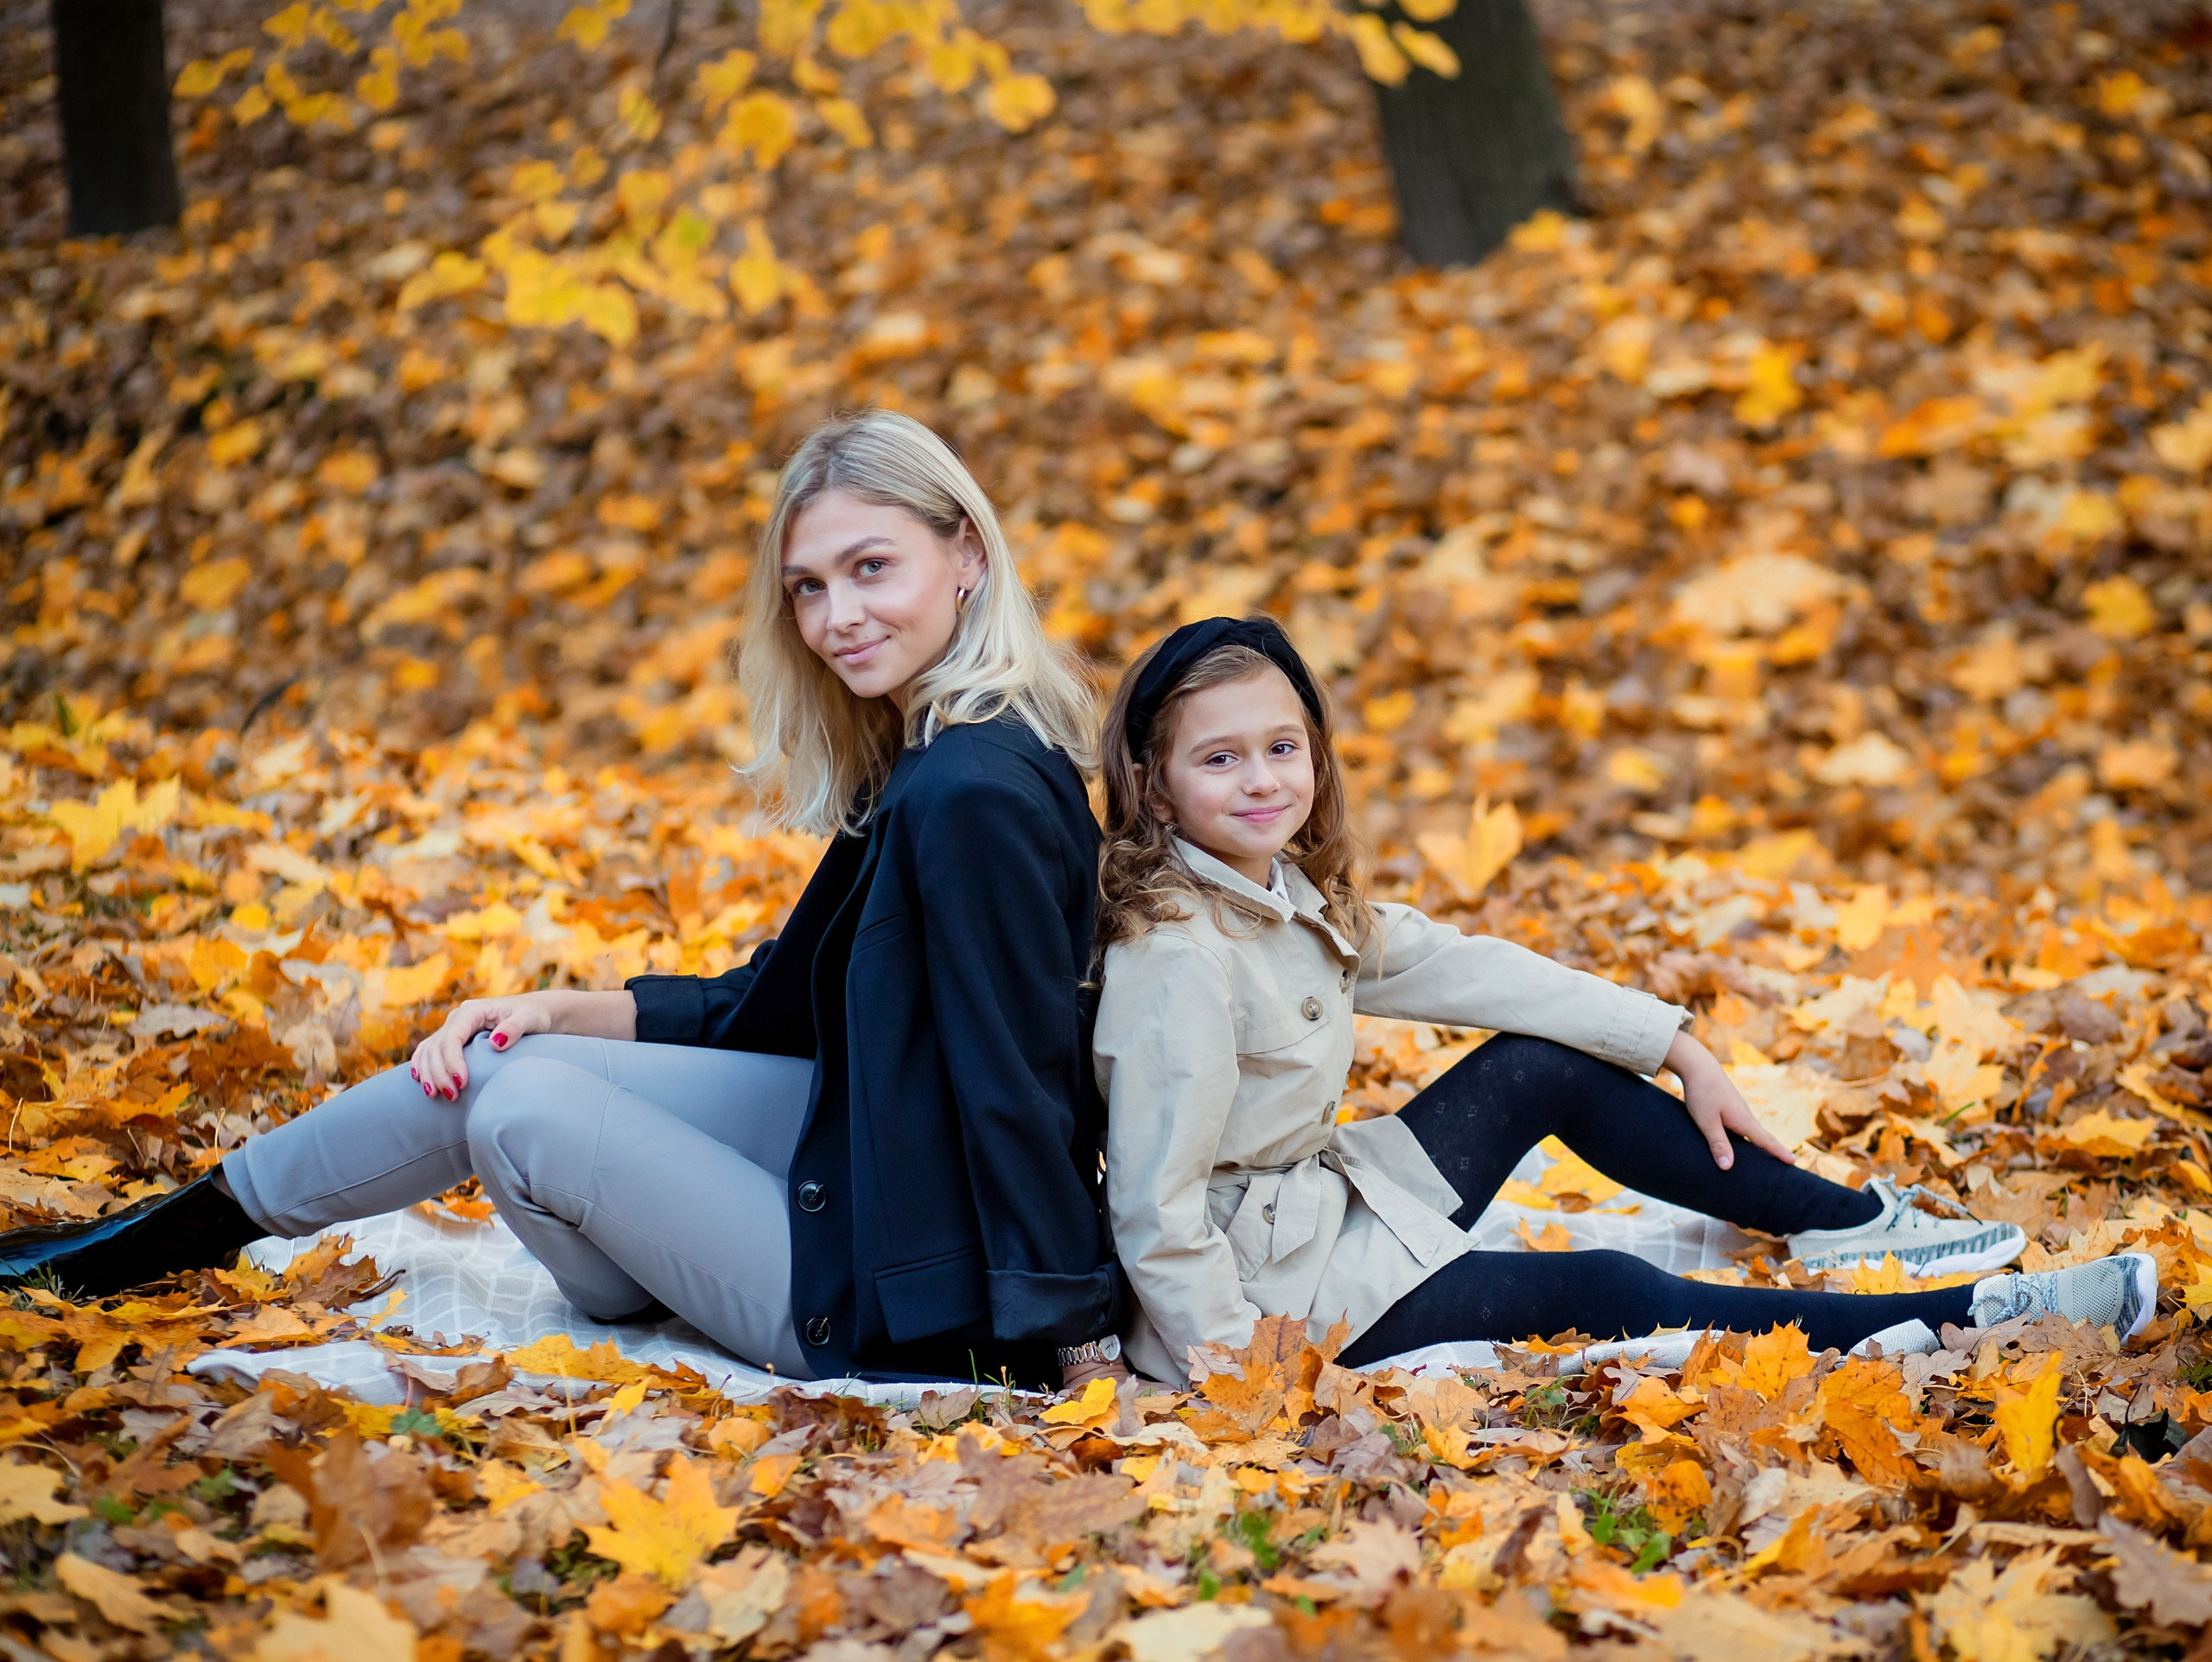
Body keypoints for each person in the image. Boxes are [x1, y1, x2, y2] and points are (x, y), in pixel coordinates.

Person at [1, 410, 1128, 1389]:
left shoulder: (973, 789)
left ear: (967, 554)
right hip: (855, 1167)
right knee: (493, 1058)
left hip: (895, 1297)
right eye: (809, 588)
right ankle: (130, 1248)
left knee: (522, 1112)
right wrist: (552, 1006)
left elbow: (1017, 1080)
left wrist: (1076, 1344)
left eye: (870, 569)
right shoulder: (931, 758)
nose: (836, 617)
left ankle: (121, 1254)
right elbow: (768, 1013)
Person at [1092, 616, 2158, 1386]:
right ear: (1152, 783)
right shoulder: (1180, 954)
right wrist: (1239, 1372)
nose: (1262, 780)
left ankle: (1849, 1224)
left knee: (1539, 1064)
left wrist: (1675, 1041)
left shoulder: (1280, 895)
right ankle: (1957, 1320)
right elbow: (1154, 1203)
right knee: (1600, 1282)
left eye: (1283, 749)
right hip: (1267, 1296)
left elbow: (1467, 964)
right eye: (1219, 759)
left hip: (1320, 1214)